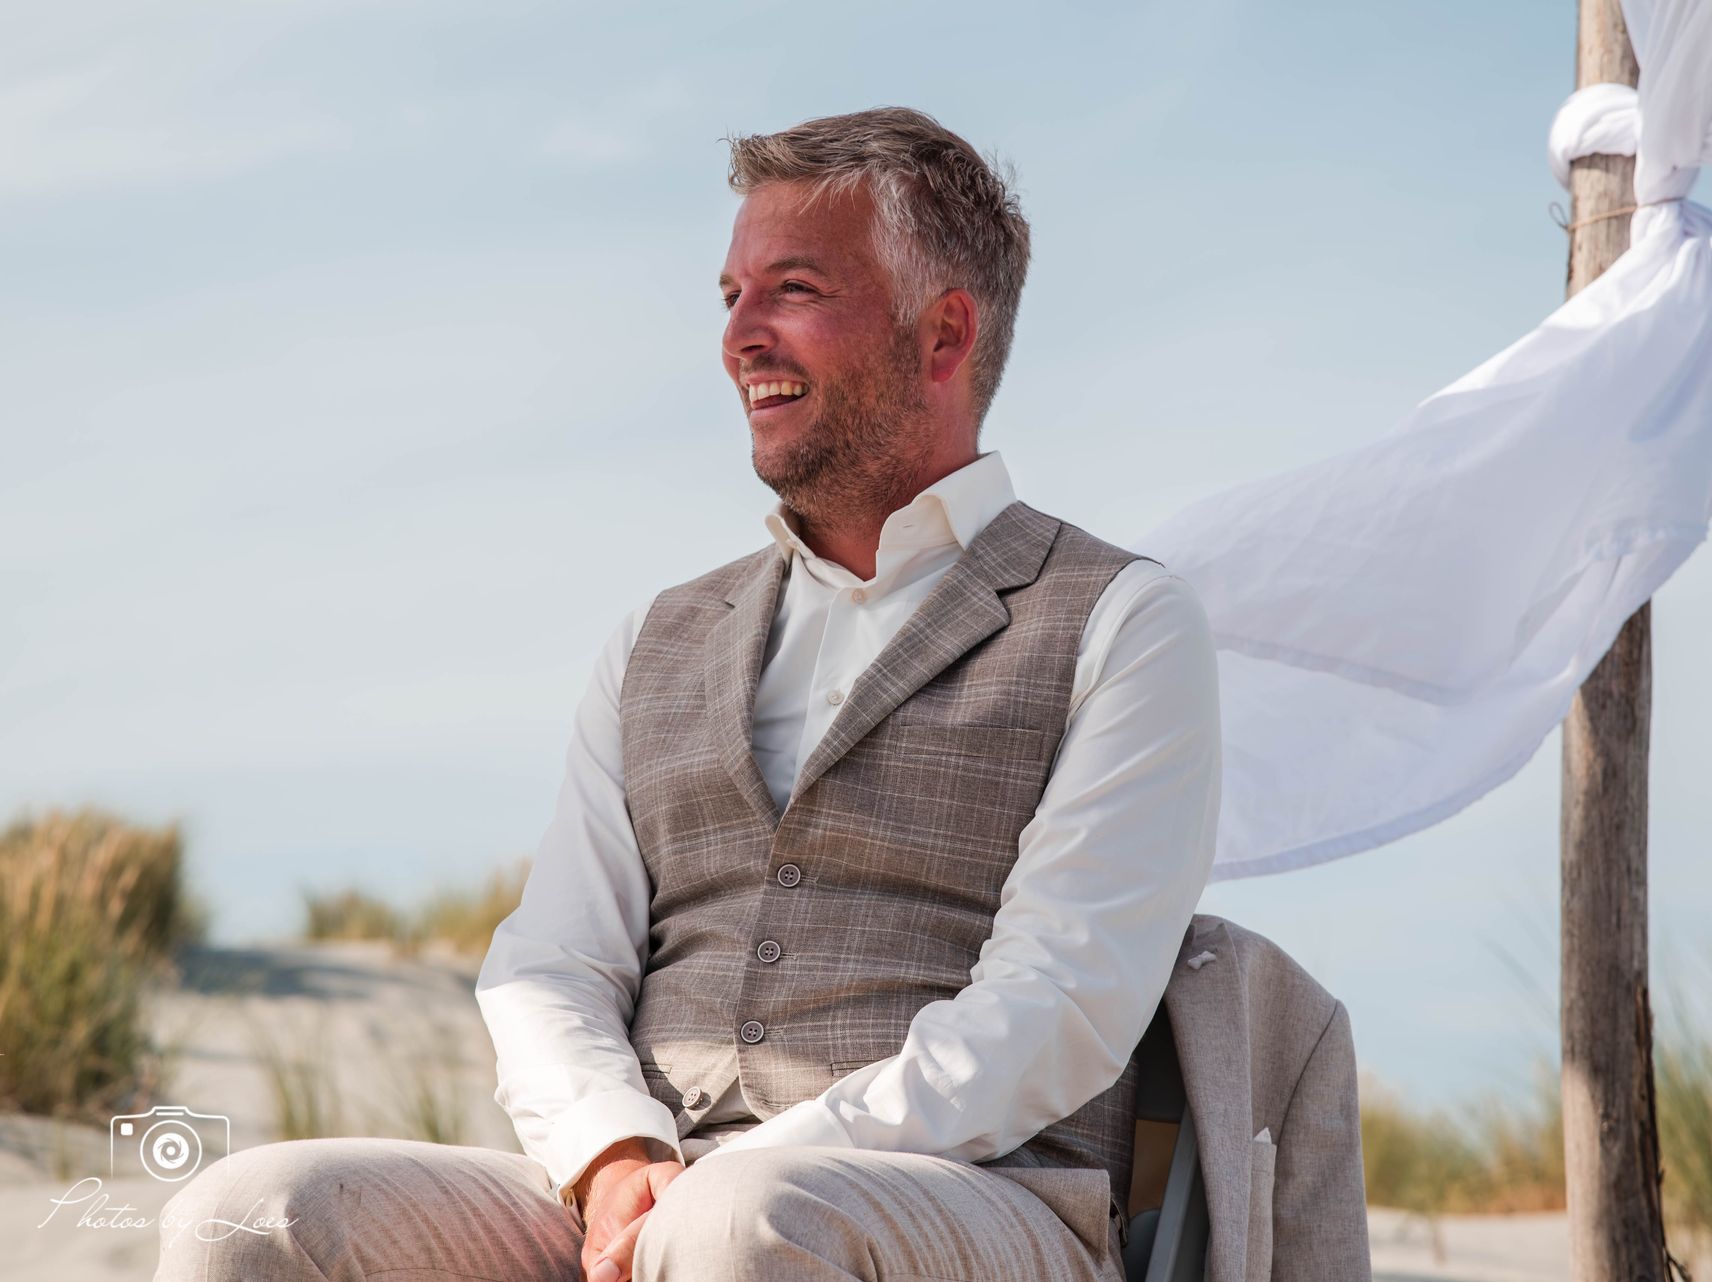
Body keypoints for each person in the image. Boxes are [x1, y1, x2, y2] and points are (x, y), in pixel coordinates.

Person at [154, 104, 1222, 1282]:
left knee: (747, 1224)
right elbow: (550, 964)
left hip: (976, 1198)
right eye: (730, 297)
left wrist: (745, 1175)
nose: (739, 338)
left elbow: (1059, 1006)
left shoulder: (1121, 621)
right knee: (248, 1213)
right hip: (655, 1188)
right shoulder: (657, 639)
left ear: (943, 335)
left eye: (795, 290)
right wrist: (615, 1158)